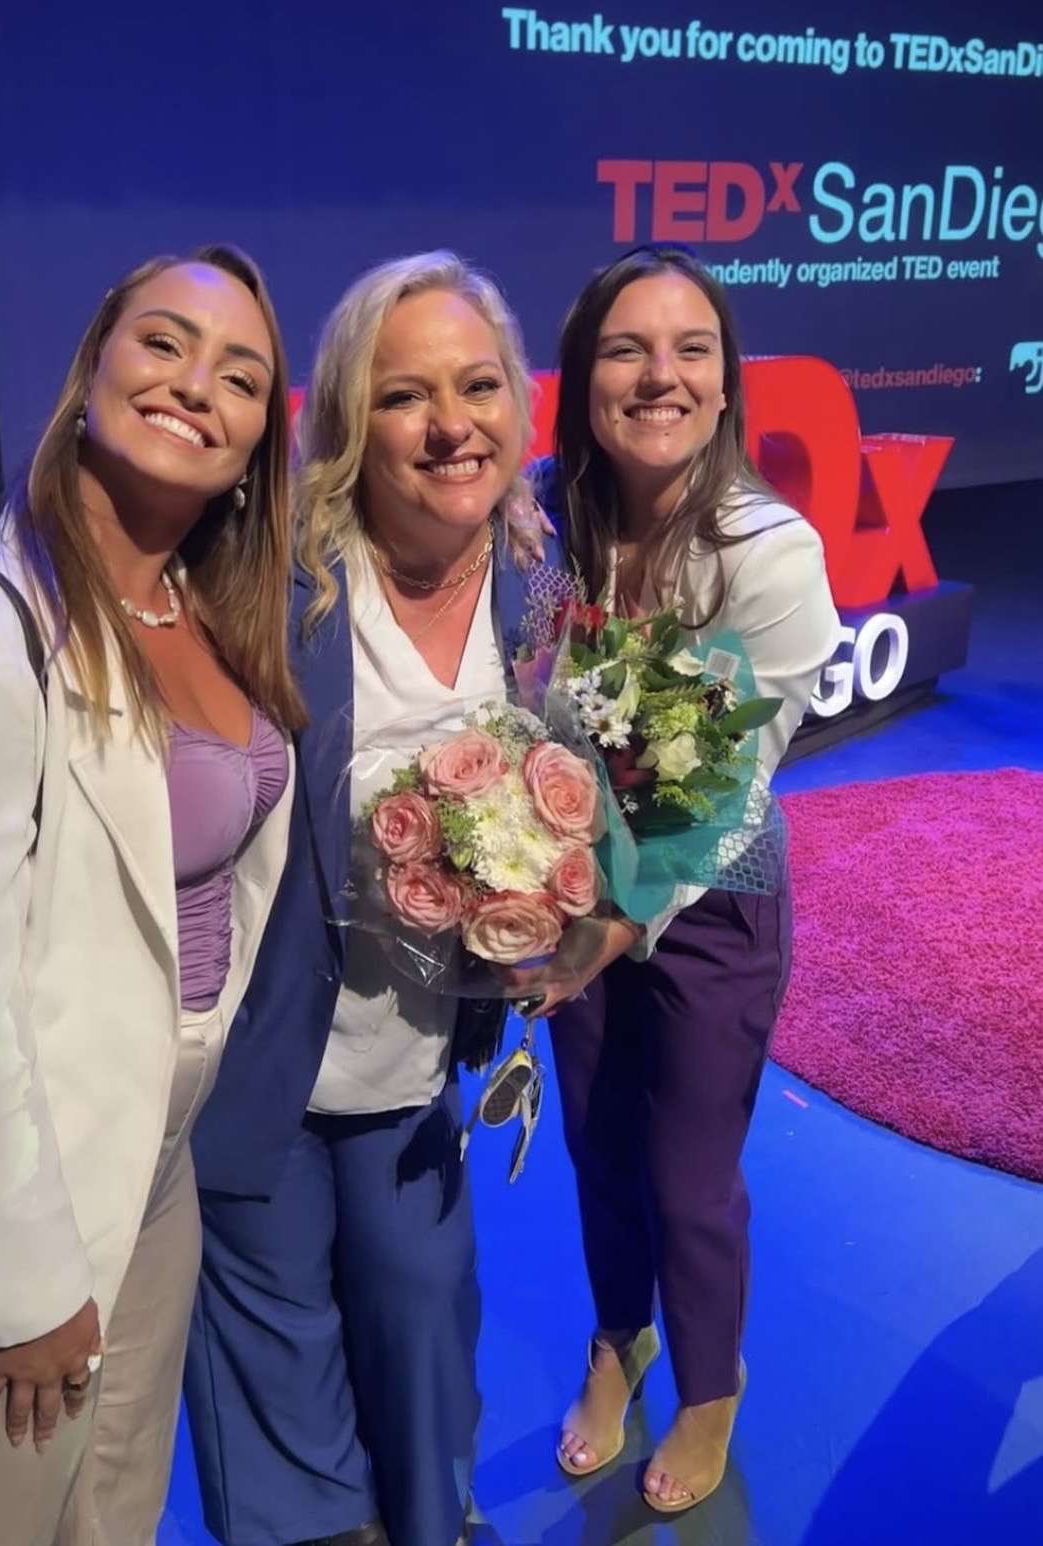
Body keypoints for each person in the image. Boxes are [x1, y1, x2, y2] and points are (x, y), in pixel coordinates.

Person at [0, 245, 303, 1545]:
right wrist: (21, 1285)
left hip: (153, 1175)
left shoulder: (212, 615)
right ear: (94, 365)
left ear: (257, 443)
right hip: (3, 1212)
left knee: (114, 1523)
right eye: (164, 343)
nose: (196, 385)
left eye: (240, 377)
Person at [185, 251, 553, 1546]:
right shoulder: (272, 580)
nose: (451, 425)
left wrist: (561, 919)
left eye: (477, 385)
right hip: (256, 1060)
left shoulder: (537, 577)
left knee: (424, 1324)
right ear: (348, 420)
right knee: (279, 1380)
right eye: (405, 396)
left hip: (412, 1066)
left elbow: (583, 788)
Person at [531, 246, 840, 1512]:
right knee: (595, 1142)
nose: (660, 375)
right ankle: (621, 1339)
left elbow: (720, 781)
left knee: (687, 1174)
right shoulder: (540, 516)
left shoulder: (770, 550)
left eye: (691, 350)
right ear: (583, 377)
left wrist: (616, 917)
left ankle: (711, 1385)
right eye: (627, 349)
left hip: (711, 898)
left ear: (724, 383)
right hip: (567, 889)